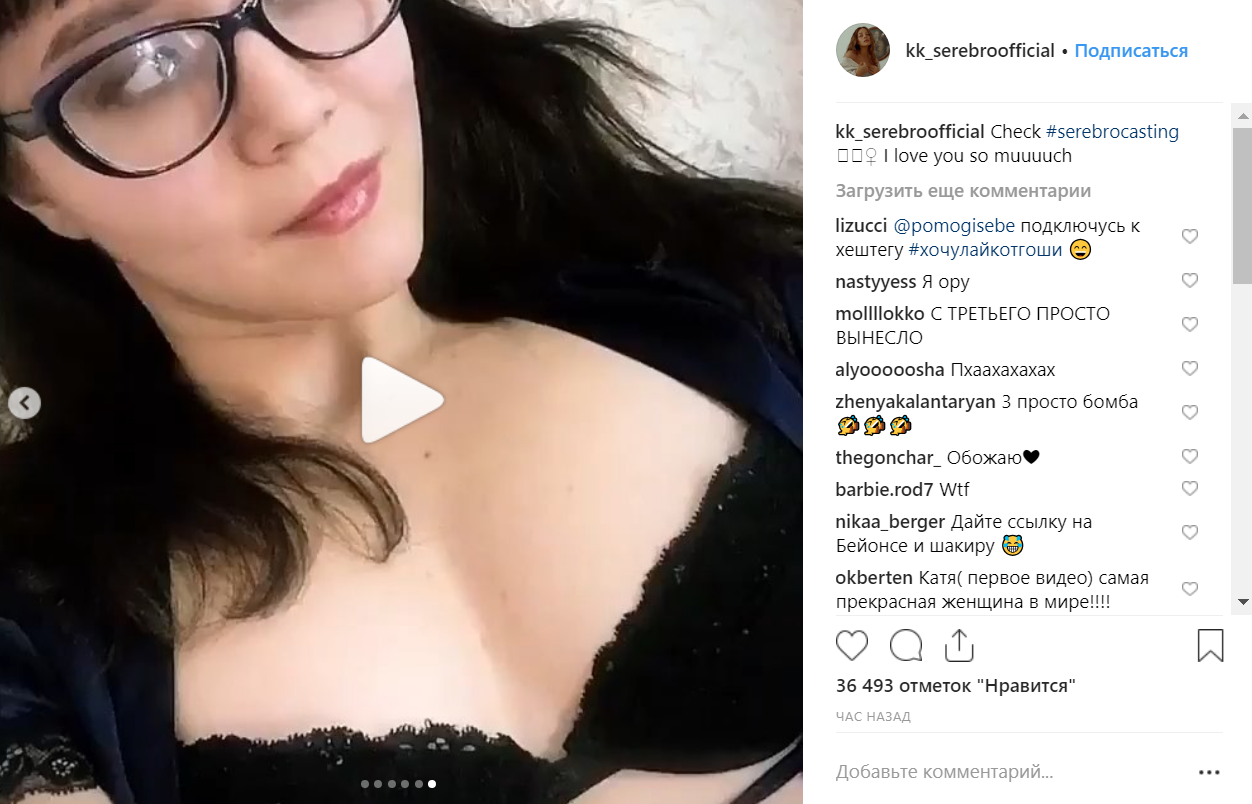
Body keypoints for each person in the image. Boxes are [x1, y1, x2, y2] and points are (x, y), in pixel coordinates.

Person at [0, 0, 801, 802]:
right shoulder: (31, 622)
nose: (294, 109)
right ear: (28, 184)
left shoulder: (746, 290)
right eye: (142, 71)